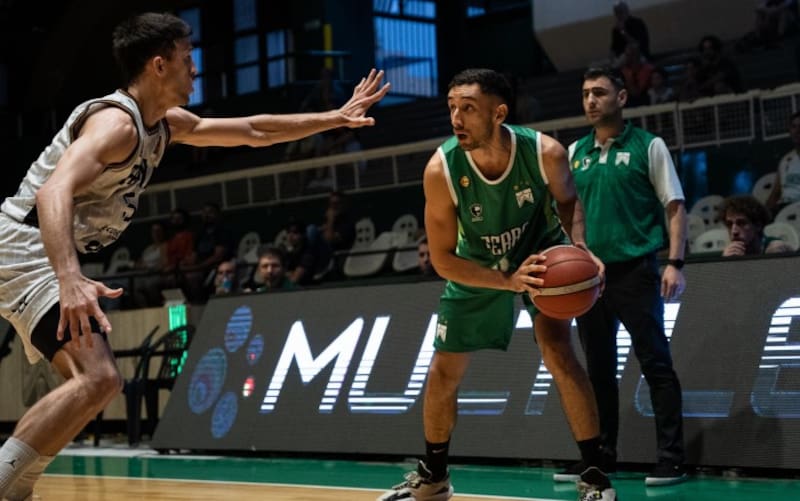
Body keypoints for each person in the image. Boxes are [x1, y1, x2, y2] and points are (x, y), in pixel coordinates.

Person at [0, 12, 389, 500]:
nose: (196, 69)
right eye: (188, 58)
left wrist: (334, 117)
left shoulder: (163, 124)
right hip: (27, 246)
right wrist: (69, 277)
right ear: (159, 65)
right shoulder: (116, 124)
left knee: (90, 385)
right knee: (98, 378)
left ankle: (14, 485)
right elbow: (52, 191)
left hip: (38, 249)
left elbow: (253, 130)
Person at [378, 69, 615, 501]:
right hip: (478, 263)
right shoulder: (440, 169)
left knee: (560, 353)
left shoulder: (547, 153)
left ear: (498, 113)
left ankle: (595, 475)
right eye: (451, 107)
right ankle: (434, 475)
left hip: (541, 251)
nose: (455, 117)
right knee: (443, 371)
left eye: (467, 108)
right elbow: (444, 259)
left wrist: (581, 247)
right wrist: (506, 280)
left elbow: (568, 201)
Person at [556, 66, 688, 487]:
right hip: (589, 279)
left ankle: (671, 459)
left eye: (599, 92)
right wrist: (574, 248)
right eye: (584, 94)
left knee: (656, 364)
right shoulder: (575, 151)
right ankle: (601, 457)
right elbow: (570, 210)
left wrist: (675, 262)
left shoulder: (649, 146)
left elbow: (675, 205)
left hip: (636, 270)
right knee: (597, 371)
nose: (590, 101)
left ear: (622, 98)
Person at [720, 195, 791, 256]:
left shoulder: (775, 247)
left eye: (741, 223)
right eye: (729, 224)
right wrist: (725, 263)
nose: (734, 231)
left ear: (758, 225)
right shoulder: (730, 253)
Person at [766, 111, 800, 215]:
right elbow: (775, 193)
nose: (797, 131)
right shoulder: (786, 160)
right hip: (785, 209)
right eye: (794, 127)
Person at [610, 1, 650, 67]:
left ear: (627, 11)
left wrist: (623, 31)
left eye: (620, 12)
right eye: (616, 13)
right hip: (623, 59)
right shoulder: (615, 29)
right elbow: (613, 48)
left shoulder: (637, 23)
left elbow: (636, 44)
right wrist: (611, 60)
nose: (618, 15)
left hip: (640, 56)